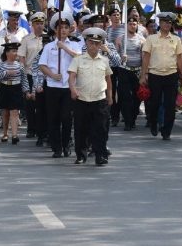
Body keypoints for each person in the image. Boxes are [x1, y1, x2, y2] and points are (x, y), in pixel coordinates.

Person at [38, 12, 82, 157]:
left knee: (66, 117)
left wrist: (64, 48)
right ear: (55, 30)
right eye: (60, 28)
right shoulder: (49, 46)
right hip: (53, 86)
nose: (63, 30)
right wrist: (52, 75)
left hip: (68, 87)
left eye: (65, 27)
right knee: (53, 118)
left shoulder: (75, 44)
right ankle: (56, 147)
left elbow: (79, 59)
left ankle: (66, 144)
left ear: (69, 30)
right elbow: (42, 65)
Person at [68, 27, 114, 166]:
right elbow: (71, 77)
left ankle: (100, 155)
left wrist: (110, 96)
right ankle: (81, 155)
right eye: (91, 42)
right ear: (86, 43)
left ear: (100, 45)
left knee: (100, 129)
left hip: (99, 99)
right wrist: (73, 90)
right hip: (82, 99)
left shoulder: (104, 60)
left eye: (96, 43)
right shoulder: (78, 59)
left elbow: (108, 80)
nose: (93, 45)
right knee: (81, 129)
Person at [140, 12, 182, 140]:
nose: (167, 24)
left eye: (169, 22)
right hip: (155, 75)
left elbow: (180, 59)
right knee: (154, 103)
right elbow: (146, 57)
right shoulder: (151, 39)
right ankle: (153, 123)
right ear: (160, 23)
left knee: (170, 105)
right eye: (165, 22)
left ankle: (167, 131)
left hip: (171, 75)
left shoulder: (176, 39)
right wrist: (143, 75)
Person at [18, 11, 50, 141]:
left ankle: (43, 130)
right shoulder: (26, 39)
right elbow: (22, 58)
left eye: (41, 23)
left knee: (44, 105)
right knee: (30, 104)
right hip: (30, 74)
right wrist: (23, 75)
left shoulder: (49, 38)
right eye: (37, 23)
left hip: (45, 76)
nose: (39, 26)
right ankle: (31, 129)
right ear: (32, 24)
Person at [115, 15, 147, 131]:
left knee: (137, 97)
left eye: (134, 24)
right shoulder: (120, 39)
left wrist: (144, 73)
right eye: (130, 24)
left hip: (137, 71)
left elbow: (144, 58)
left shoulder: (142, 40)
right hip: (124, 70)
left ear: (137, 25)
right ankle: (127, 121)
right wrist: (121, 58)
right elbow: (114, 57)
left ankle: (133, 118)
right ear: (126, 25)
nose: (132, 26)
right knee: (125, 97)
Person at [0, 42, 29, 144]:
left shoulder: (20, 65)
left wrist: (26, 91)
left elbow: (24, 79)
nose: (16, 53)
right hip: (4, 88)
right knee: (5, 112)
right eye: (13, 51)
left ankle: (14, 135)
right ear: (7, 53)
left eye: (16, 51)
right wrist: (6, 73)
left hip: (16, 89)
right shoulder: (1, 65)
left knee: (14, 112)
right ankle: (5, 134)